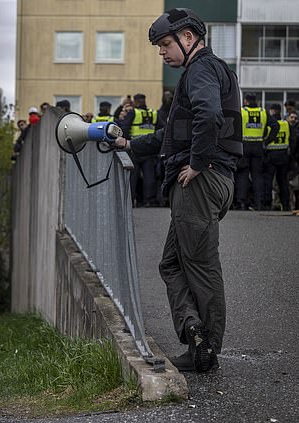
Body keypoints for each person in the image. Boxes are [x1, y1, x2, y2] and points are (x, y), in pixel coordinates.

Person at [115, 8, 244, 372]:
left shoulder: (202, 67)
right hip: (208, 179)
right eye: (158, 46)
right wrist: (129, 145)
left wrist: (199, 163)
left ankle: (206, 351)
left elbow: (209, 116)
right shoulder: (201, 71)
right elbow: (169, 136)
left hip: (201, 181)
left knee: (201, 265)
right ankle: (195, 331)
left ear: (189, 38)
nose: (162, 52)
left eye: (166, 44)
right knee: (172, 263)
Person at [234, 93, 279, 210]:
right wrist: (267, 141)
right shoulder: (263, 112)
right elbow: (275, 126)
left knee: (242, 174)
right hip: (258, 146)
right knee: (257, 176)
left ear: (246, 101)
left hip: (244, 146)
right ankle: (259, 202)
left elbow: (234, 127)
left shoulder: (242, 111)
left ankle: (241, 202)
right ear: (256, 101)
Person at [120, 93, 159, 207]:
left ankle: (130, 201)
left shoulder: (133, 113)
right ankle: (149, 201)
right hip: (150, 149)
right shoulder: (153, 113)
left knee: (133, 176)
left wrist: (127, 142)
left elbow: (125, 128)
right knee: (149, 177)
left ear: (136, 102)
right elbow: (161, 127)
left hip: (135, 148)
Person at [263, 104, 294, 211]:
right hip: (283, 156)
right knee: (283, 182)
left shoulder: (269, 125)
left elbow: (265, 139)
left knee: (268, 181)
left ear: (272, 111)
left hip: (271, 156)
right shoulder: (286, 124)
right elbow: (292, 141)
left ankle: (267, 203)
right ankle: (286, 204)